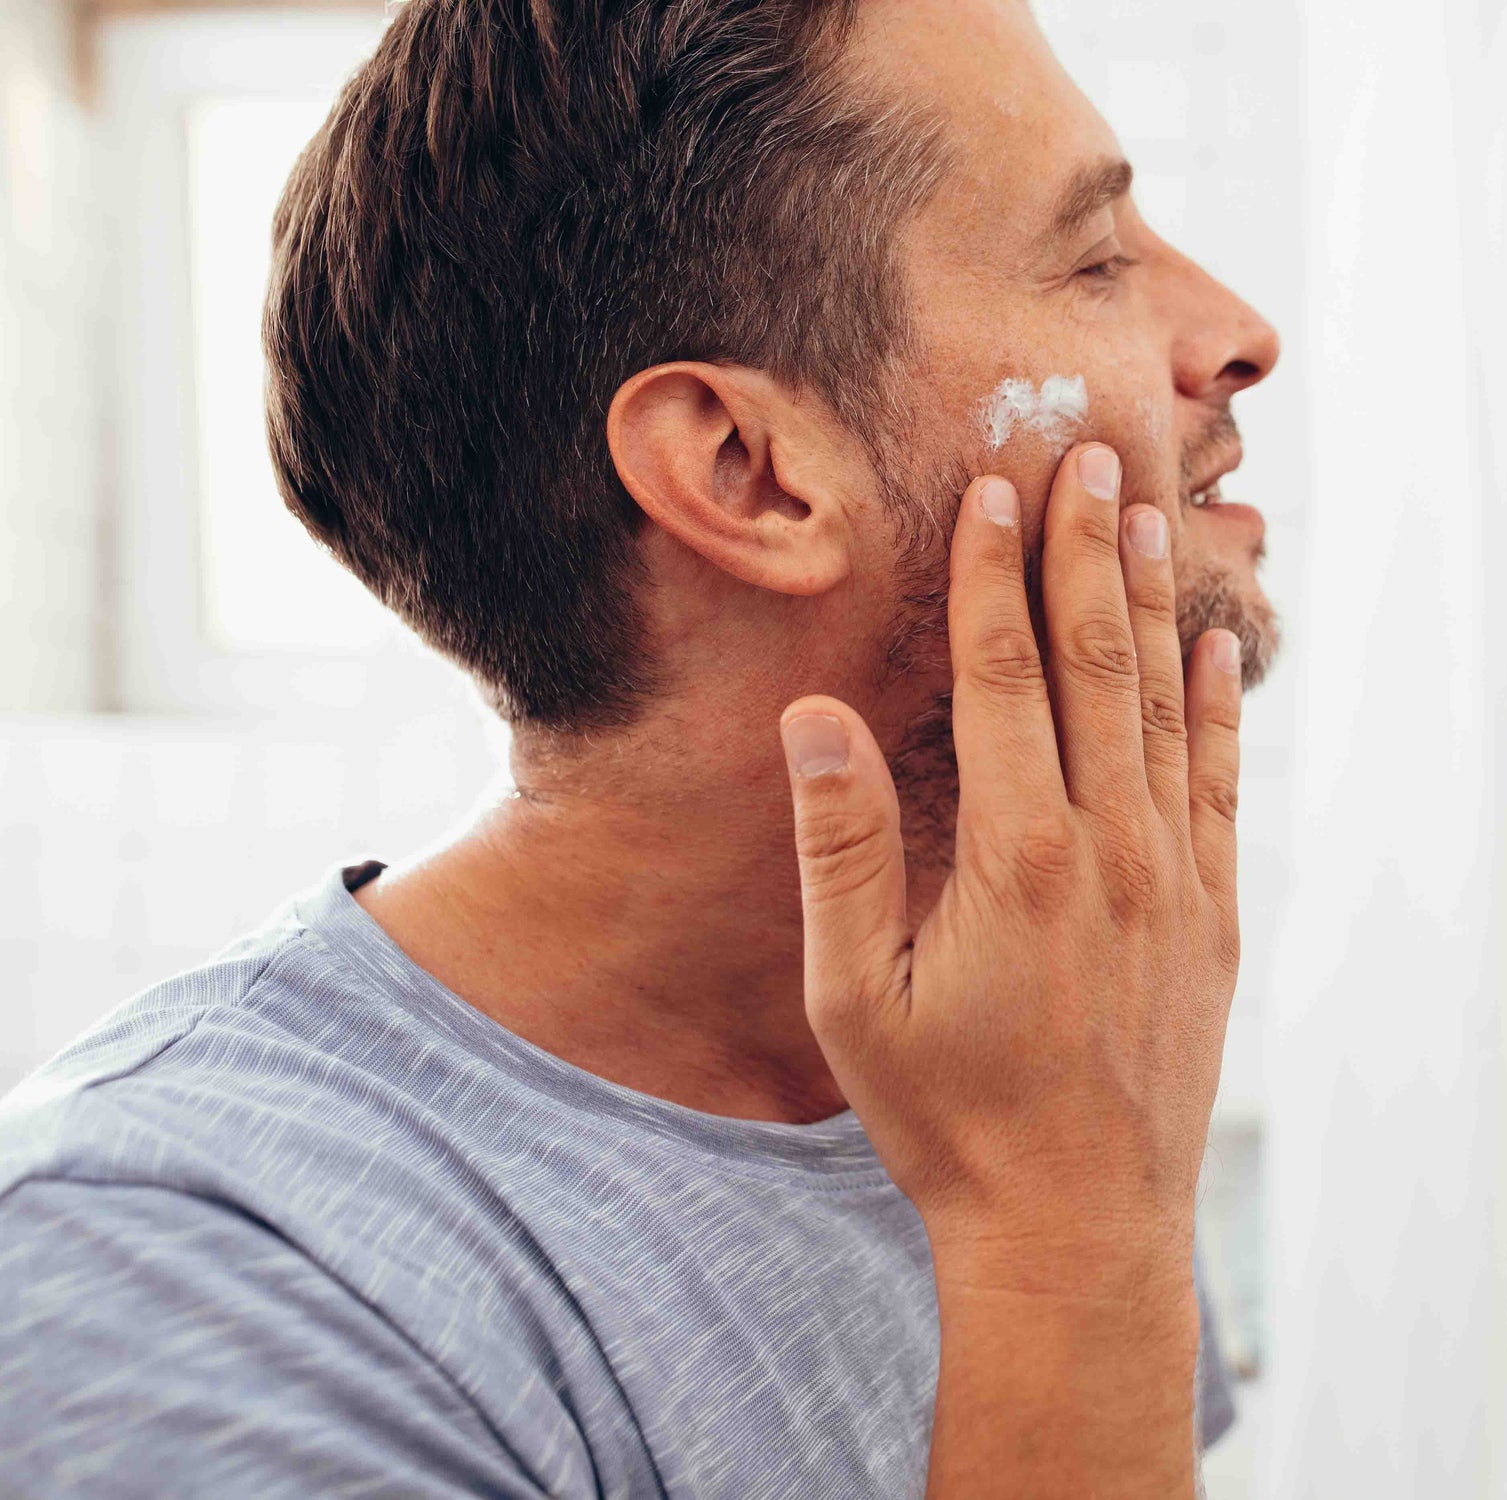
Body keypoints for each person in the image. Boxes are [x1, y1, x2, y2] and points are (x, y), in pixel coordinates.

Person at [0, 0, 1281, 1492]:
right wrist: (1068, 1238)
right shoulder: (175, 1295)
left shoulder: (1045, 1035)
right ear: (747, 473)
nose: (1237, 335)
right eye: (1097, 259)